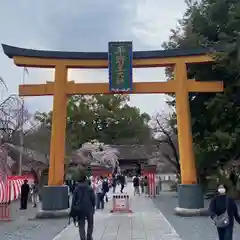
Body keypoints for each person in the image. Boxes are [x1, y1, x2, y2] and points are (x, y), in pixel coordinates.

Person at [71, 173, 95, 240]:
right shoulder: (90, 188)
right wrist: (93, 207)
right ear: (85, 180)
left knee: (81, 225)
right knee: (90, 223)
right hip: (89, 208)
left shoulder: (76, 189)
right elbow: (93, 199)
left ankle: (82, 238)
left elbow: (74, 201)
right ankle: (89, 236)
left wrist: (73, 209)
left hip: (80, 209)